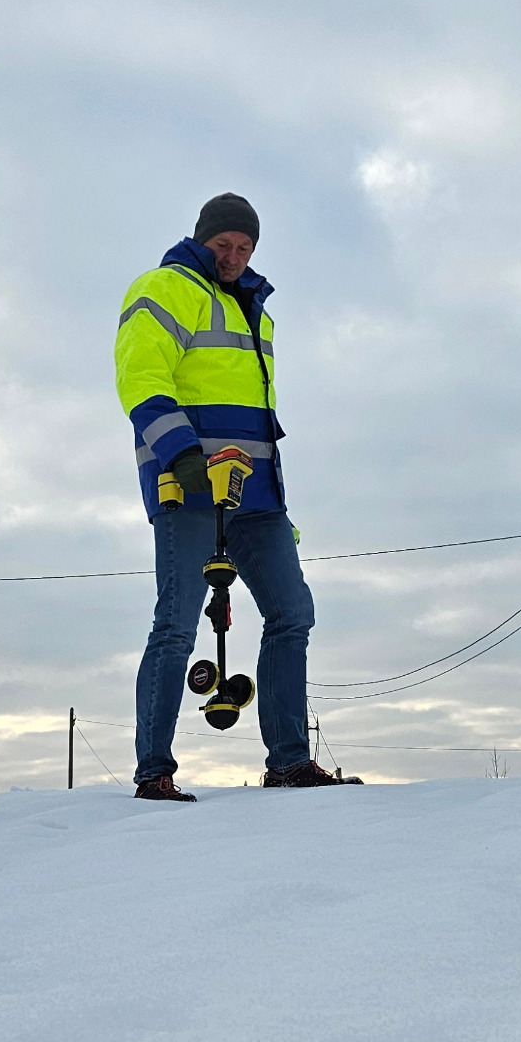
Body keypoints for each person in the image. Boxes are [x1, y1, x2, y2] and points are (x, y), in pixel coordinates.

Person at [114, 193, 346, 800]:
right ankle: (154, 771)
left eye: (245, 248)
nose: (235, 257)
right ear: (202, 239)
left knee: (293, 612)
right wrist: (183, 455)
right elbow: (140, 377)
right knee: (176, 625)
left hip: (259, 493)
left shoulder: (258, 312)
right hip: (188, 486)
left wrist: (277, 497)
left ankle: (290, 761)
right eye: (224, 246)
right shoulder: (164, 289)